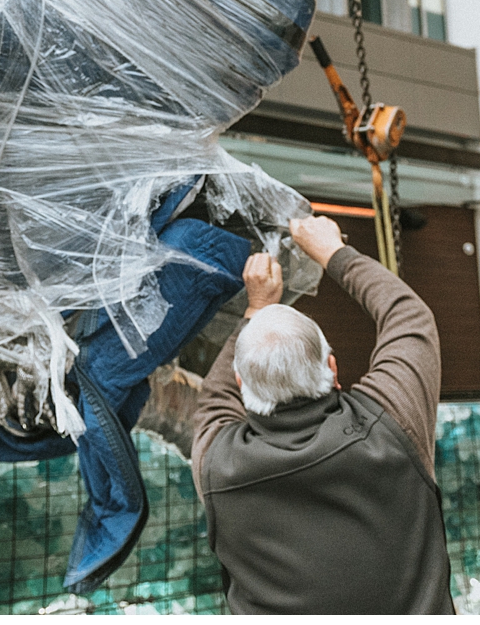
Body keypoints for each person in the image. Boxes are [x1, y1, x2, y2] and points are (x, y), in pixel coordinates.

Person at [192, 214, 454, 614]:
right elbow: (408, 315)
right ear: (332, 368)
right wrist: (333, 251)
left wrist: (259, 307)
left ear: (243, 386)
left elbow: (216, 394)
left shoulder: (218, 465)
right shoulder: (391, 421)